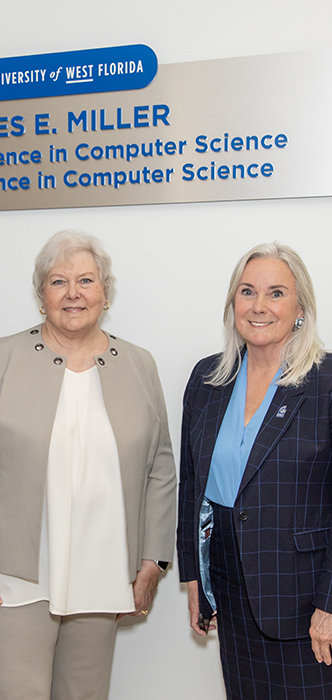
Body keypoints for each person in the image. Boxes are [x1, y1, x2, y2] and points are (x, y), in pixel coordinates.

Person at [0, 230, 177, 700]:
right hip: (13, 577)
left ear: (105, 293)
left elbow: (160, 470)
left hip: (105, 571)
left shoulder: (139, 364)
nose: (73, 293)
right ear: (40, 293)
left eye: (86, 280)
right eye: (58, 281)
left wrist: (153, 559)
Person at [178, 242, 332, 699]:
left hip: (305, 601)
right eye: (247, 292)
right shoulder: (209, 379)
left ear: (300, 307)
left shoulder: (326, 384)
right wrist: (195, 576)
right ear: (233, 304)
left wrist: (330, 603)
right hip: (231, 589)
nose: (259, 306)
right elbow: (192, 485)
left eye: (276, 293)